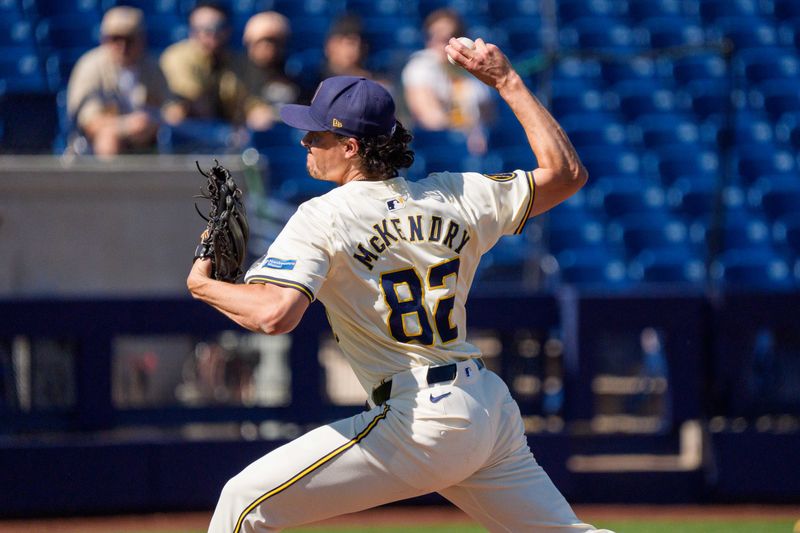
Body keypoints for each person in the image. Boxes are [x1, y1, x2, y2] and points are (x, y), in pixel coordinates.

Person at [188, 37, 610, 533]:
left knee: (242, 503)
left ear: (350, 147)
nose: (305, 142)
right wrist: (508, 82)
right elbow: (567, 174)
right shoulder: (456, 193)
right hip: (486, 408)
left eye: (317, 135)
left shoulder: (323, 215)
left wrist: (202, 284)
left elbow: (274, 314)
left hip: (419, 418)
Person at [66, 6, 178, 156]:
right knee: (108, 138)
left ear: (141, 39)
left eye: (129, 39)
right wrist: (127, 125)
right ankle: (109, 180)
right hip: (96, 142)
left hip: (149, 135)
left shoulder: (152, 66)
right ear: (103, 40)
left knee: (172, 137)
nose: (122, 46)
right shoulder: (90, 66)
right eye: (115, 39)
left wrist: (152, 122)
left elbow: (173, 110)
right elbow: (90, 123)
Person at [159, 1, 271, 129]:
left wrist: (257, 116)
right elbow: (199, 105)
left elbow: (254, 103)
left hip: (234, 130)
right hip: (192, 129)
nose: (210, 35)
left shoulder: (241, 61)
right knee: (176, 113)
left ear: (227, 30)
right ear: (191, 31)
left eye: (217, 27)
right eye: (201, 28)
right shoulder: (176, 56)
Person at [401, 9, 493, 154]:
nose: (443, 42)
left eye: (450, 37)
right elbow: (430, 118)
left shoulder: (472, 71)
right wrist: (466, 135)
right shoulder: (420, 66)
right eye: (436, 36)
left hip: (479, 147)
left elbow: (489, 115)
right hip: (436, 148)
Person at [241, 11, 299, 113]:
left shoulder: (294, 74)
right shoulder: (234, 73)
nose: (268, 47)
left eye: (275, 42)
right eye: (261, 41)